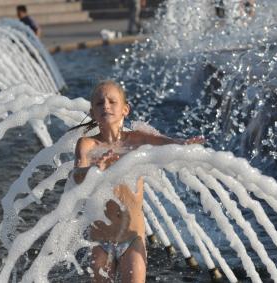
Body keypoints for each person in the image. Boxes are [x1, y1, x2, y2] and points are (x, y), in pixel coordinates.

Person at [71, 80, 204, 282]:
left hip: (132, 237)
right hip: (100, 240)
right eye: (99, 103)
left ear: (125, 109)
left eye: (111, 101)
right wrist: (94, 169)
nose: (105, 105)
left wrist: (183, 145)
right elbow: (77, 175)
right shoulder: (87, 144)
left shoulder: (135, 140)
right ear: (92, 112)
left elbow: (167, 144)